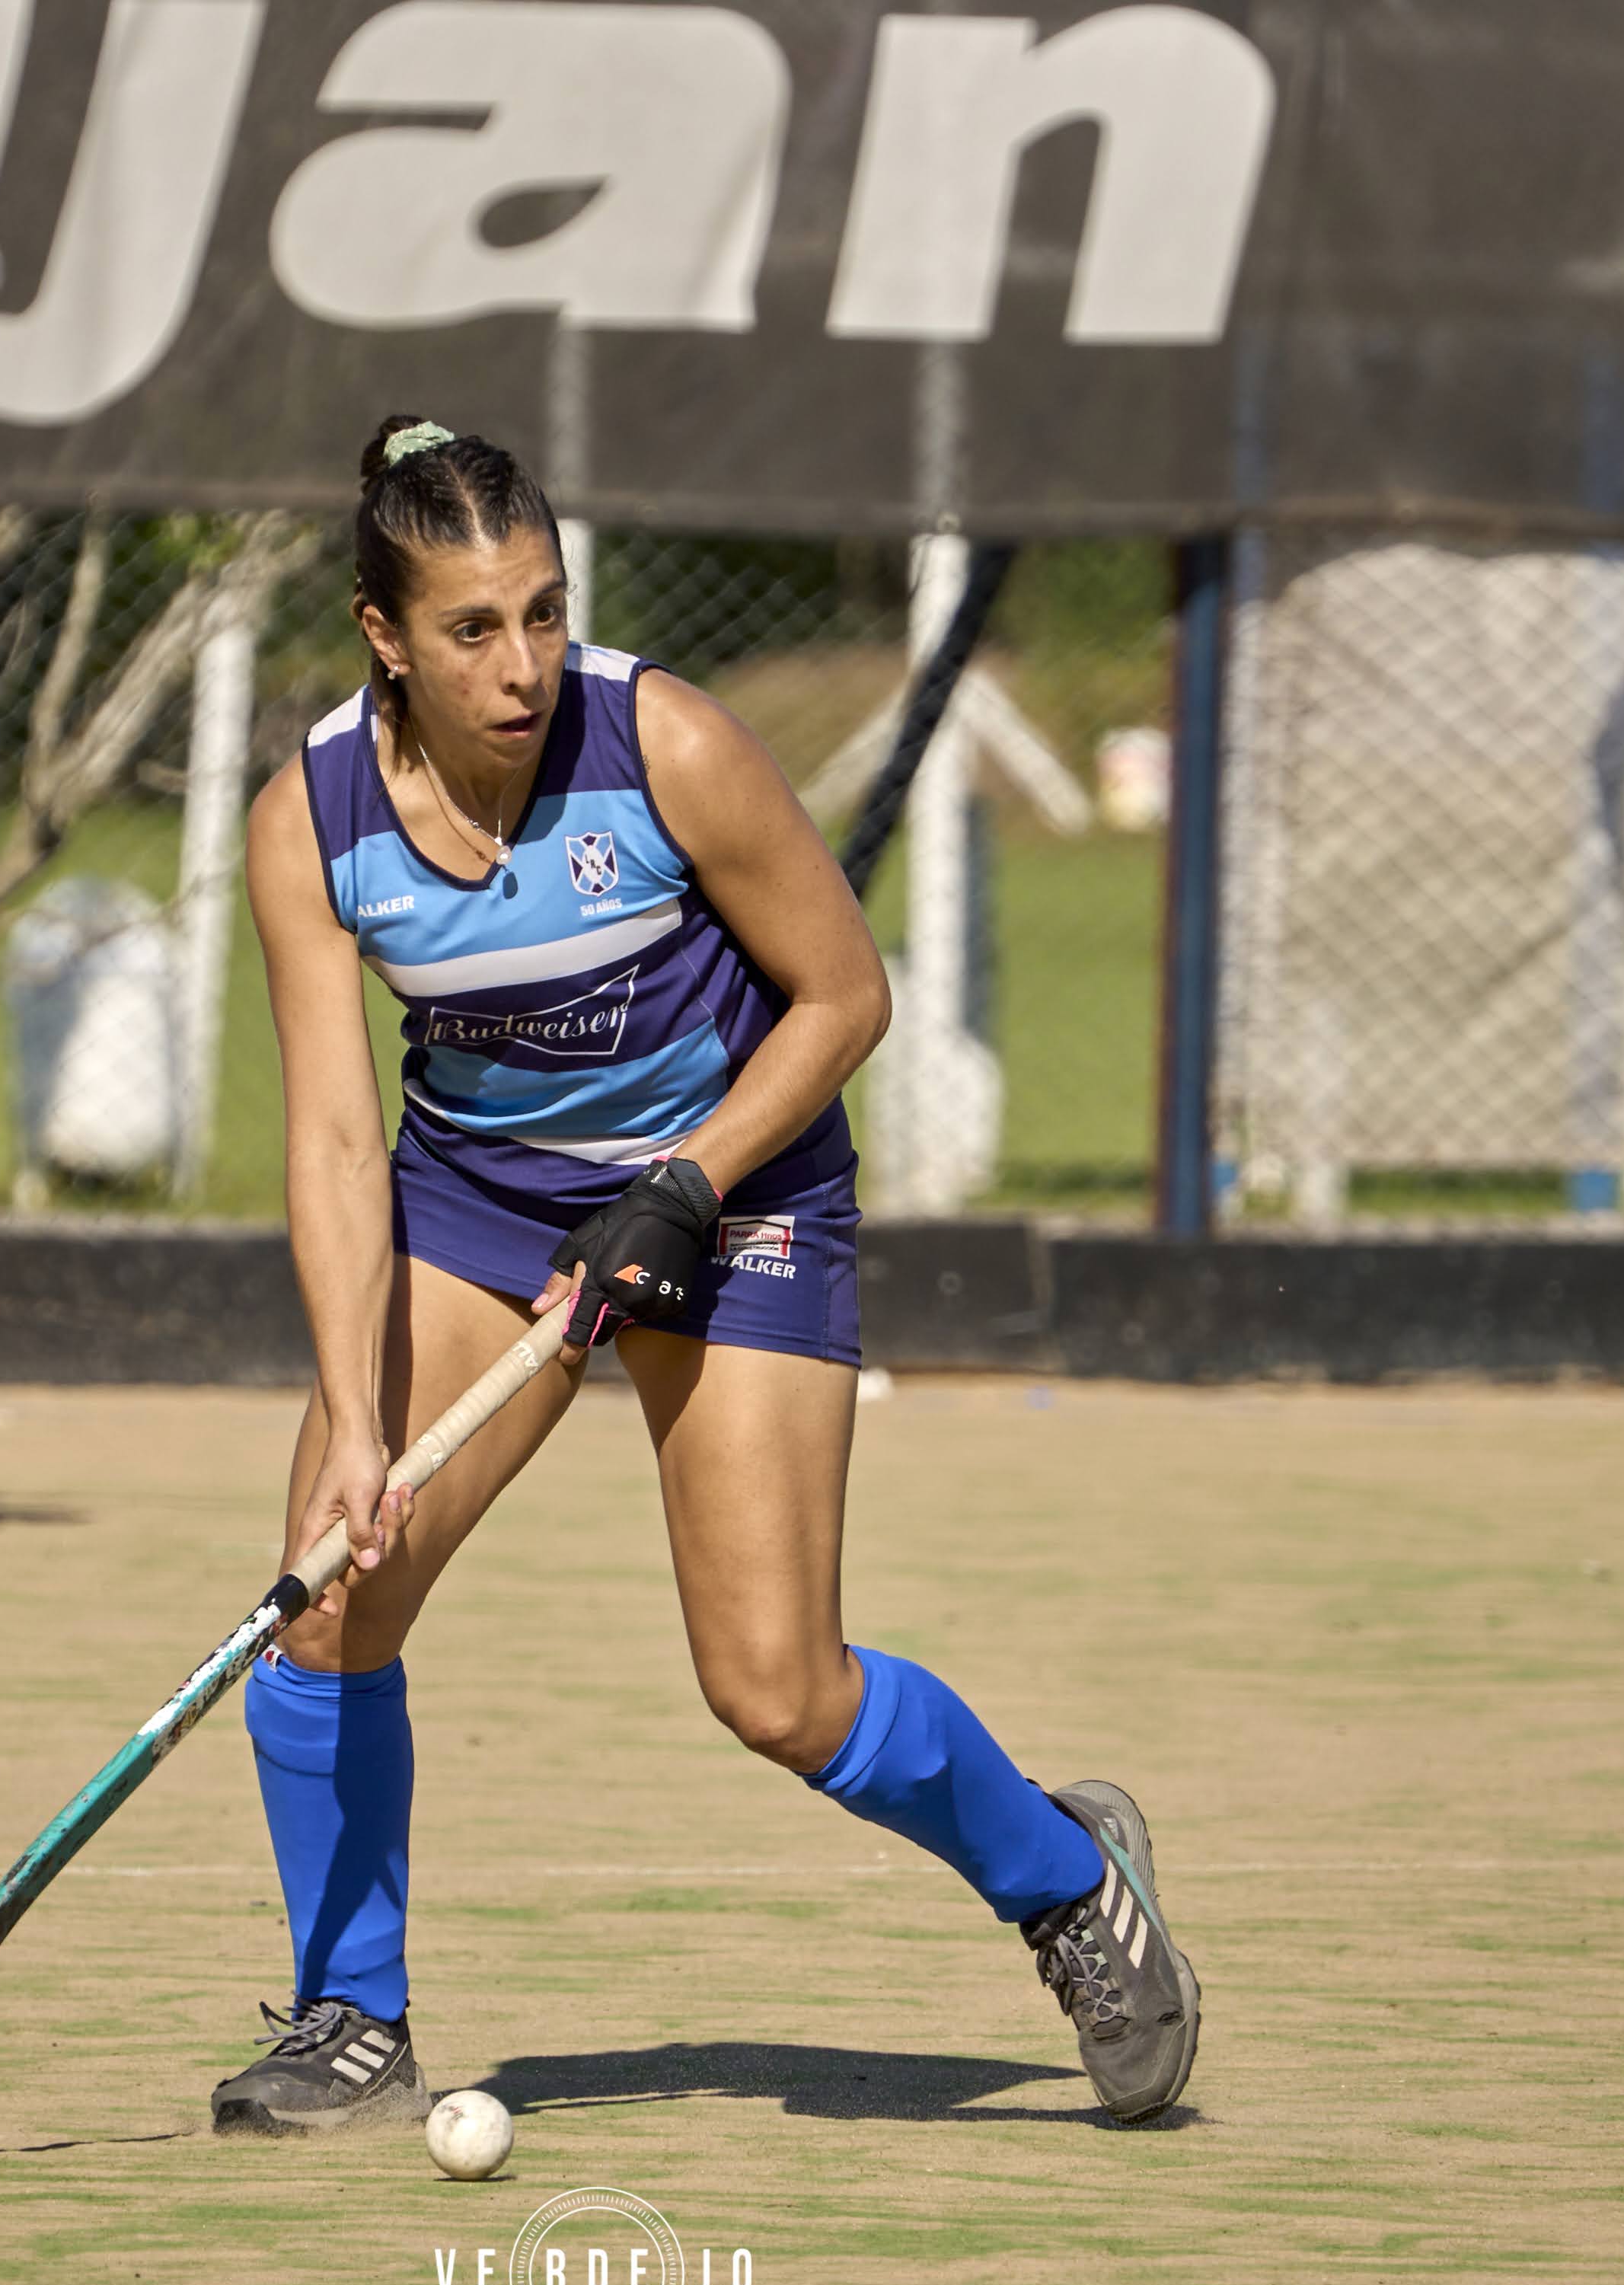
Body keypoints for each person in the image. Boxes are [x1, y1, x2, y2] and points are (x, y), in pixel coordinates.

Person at [208, 416, 1198, 2136]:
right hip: (485, 1205)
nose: (520, 668)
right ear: (385, 637)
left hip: (734, 1192)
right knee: (325, 1597)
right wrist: (352, 1429)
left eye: (541, 611)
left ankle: (1062, 1874)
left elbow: (840, 997)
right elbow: (331, 1144)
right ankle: (348, 2015)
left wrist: (680, 1183)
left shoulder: (663, 741)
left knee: (773, 1686)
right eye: (470, 630)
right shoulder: (312, 820)